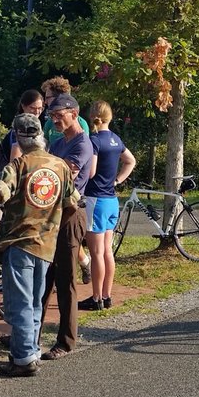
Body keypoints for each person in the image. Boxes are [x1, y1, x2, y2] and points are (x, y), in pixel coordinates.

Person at [0, 113, 79, 376]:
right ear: (41, 134)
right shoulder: (60, 166)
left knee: (19, 303)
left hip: (20, 243)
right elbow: (72, 204)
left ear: (17, 136)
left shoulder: (18, 165)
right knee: (36, 302)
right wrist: (54, 225)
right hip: (46, 245)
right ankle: (30, 350)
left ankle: (23, 359)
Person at [40, 93, 94, 361]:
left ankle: (66, 341)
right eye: (51, 116)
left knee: (64, 280)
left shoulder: (83, 144)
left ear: (74, 113)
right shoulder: (58, 143)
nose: (54, 121)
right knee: (43, 278)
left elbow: (60, 175)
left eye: (58, 115)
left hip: (71, 214)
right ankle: (30, 335)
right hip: (51, 214)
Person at [80, 101, 136, 311]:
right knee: (107, 251)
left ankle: (96, 298)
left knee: (96, 253)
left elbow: (92, 172)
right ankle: (107, 295)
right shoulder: (115, 139)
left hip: (96, 200)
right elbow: (130, 160)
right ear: (110, 117)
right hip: (112, 200)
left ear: (92, 116)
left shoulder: (93, 141)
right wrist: (117, 180)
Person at [40, 76, 90, 146]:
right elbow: (44, 147)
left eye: (48, 98)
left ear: (60, 98)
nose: (45, 102)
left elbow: (84, 147)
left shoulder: (81, 123)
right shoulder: (49, 122)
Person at [3, 89, 45, 170]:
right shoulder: (19, 129)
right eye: (33, 108)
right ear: (23, 106)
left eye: (40, 108)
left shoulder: (37, 125)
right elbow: (14, 165)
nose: (37, 112)